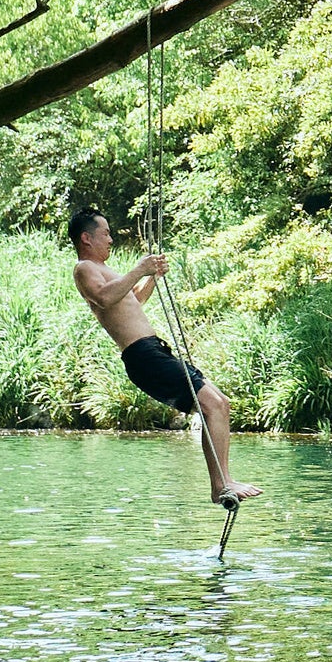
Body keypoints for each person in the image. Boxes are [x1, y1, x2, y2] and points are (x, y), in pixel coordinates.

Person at [69, 206, 256, 510]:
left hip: (154, 351)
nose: (111, 239)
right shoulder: (84, 269)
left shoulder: (106, 272)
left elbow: (132, 302)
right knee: (213, 404)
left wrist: (151, 277)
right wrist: (138, 269)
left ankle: (223, 482)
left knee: (219, 404)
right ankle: (221, 485)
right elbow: (104, 298)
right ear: (86, 238)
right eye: (106, 233)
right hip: (143, 356)